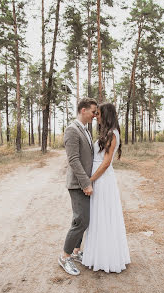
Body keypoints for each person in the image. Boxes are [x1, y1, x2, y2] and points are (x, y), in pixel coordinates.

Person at [82, 102, 131, 273]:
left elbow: (106, 163)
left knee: (103, 215)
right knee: (97, 216)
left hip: (102, 179)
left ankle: (107, 257)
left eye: (99, 114)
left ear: (107, 115)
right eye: (95, 114)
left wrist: (90, 180)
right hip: (99, 177)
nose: (96, 116)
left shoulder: (112, 134)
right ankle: (98, 253)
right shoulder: (107, 132)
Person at [58, 97, 98, 276]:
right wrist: (86, 183)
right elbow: (73, 160)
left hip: (85, 183)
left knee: (84, 220)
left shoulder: (86, 130)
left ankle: (76, 251)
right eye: (93, 111)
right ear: (83, 110)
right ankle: (65, 257)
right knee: (80, 220)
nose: (95, 115)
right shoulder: (72, 130)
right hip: (77, 184)